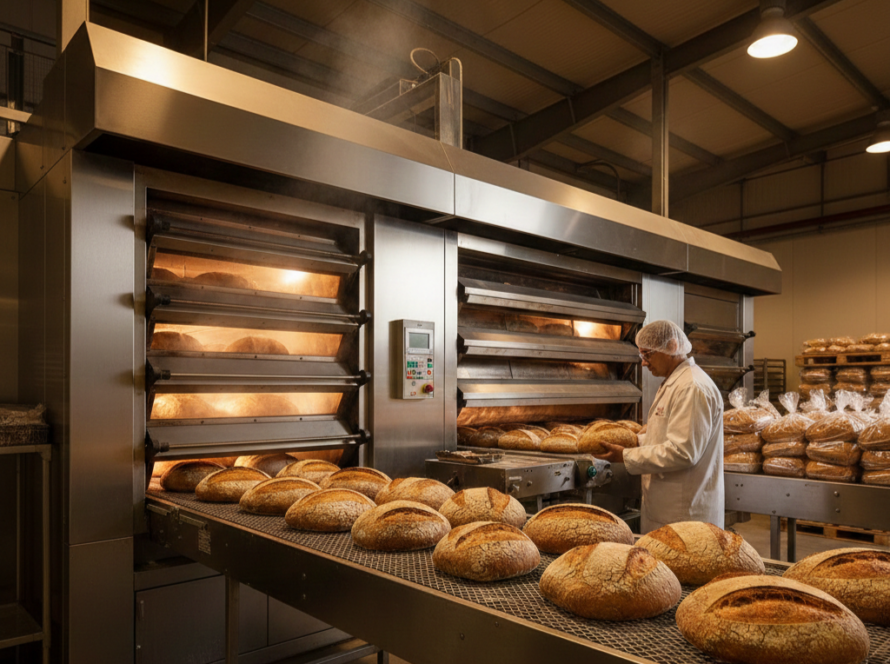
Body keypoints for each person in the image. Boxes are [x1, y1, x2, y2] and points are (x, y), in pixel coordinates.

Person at [593, 320, 724, 533]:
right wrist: (636, 440)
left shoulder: (691, 387)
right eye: (641, 356)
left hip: (684, 513)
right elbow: (667, 437)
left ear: (672, 347)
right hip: (667, 509)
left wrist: (625, 456)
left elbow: (683, 452)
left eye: (647, 355)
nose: (643, 363)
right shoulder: (675, 383)